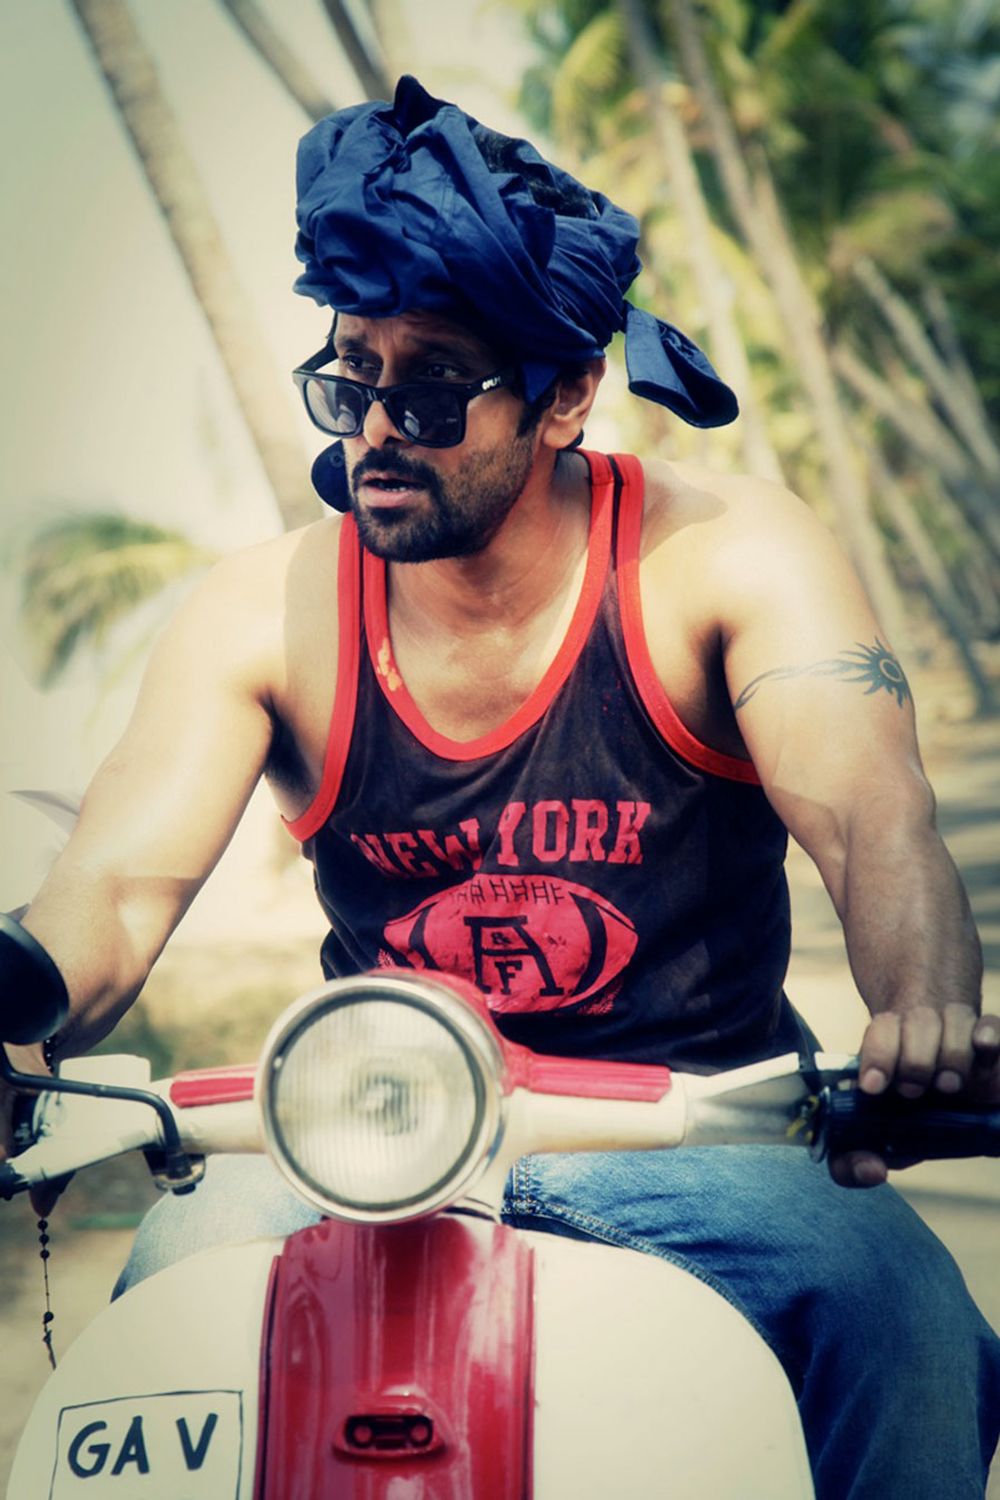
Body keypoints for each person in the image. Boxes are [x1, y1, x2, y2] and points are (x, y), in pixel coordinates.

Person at [2, 75, 998, 1496]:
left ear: (567, 395)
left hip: (699, 1131)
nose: (376, 427)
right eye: (351, 377)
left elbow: (869, 817)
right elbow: (110, 895)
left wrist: (922, 1017)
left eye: (431, 387)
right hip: (362, 1144)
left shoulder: (722, 555)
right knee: (167, 1289)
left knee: (899, 1315)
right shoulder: (262, 609)